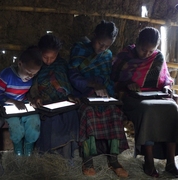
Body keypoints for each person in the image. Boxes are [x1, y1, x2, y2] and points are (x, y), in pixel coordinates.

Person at [112, 27, 178, 178]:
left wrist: (167, 86)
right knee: (148, 110)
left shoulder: (158, 57)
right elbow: (114, 78)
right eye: (143, 50)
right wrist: (128, 84)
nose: (147, 54)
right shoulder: (125, 56)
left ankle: (170, 161)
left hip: (157, 95)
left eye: (150, 51)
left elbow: (166, 78)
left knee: (173, 108)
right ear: (136, 43)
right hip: (132, 97)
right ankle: (148, 160)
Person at [68, 20, 129, 178]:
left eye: (107, 46)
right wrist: (92, 84)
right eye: (100, 44)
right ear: (94, 36)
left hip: (102, 95)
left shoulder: (107, 55)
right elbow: (73, 76)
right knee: (88, 113)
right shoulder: (80, 48)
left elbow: (107, 78)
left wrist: (108, 95)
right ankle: (87, 159)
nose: (102, 49)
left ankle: (113, 159)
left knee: (114, 113)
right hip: (82, 94)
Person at [28, 34, 79, 161]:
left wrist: (69, 96)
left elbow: (66, 84)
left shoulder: (61, 64)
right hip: (43, 102)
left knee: (71, 114)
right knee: (51, 118)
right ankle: (50, 155)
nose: (49, 61)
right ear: (40, 52)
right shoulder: (34, 65)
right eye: (46, 57)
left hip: (62, 101)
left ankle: (67, 156)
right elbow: (29, 87)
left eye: (53, 57)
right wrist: (35, 97)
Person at [0, 47, 42, 156]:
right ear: (20, 64)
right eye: (28, 72)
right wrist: (14, 102)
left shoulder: (31, 78)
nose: (30, 76)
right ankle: (18, 148)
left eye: (34, 74)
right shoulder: (6, 75)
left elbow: (28, 92)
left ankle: (29, 146)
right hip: (8, 106)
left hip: (23, 104)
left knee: (34, 121)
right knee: (15, 126)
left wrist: (32, 100)